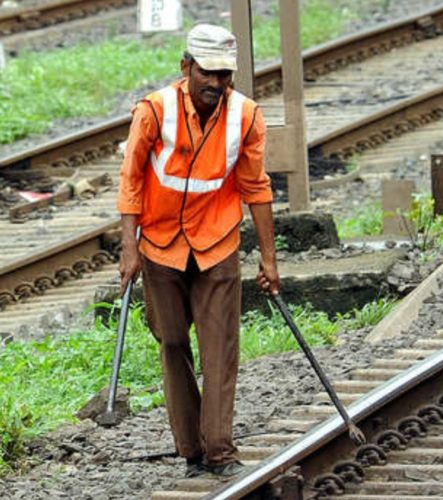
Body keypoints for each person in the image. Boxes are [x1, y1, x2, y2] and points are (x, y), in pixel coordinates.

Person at [117, 23, 279, 478]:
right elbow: (130, 180)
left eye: (224, 75)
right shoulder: (154, 111)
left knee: (219, 350)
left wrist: (268, 258)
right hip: (160, 246)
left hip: (217, 243)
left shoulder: (245, 115)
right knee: (171, 343)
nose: (216, 84)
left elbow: (256, 187)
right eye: (207, 72)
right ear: (186, 66)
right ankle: (190, 448)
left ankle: (220, 451)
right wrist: (130, 248)